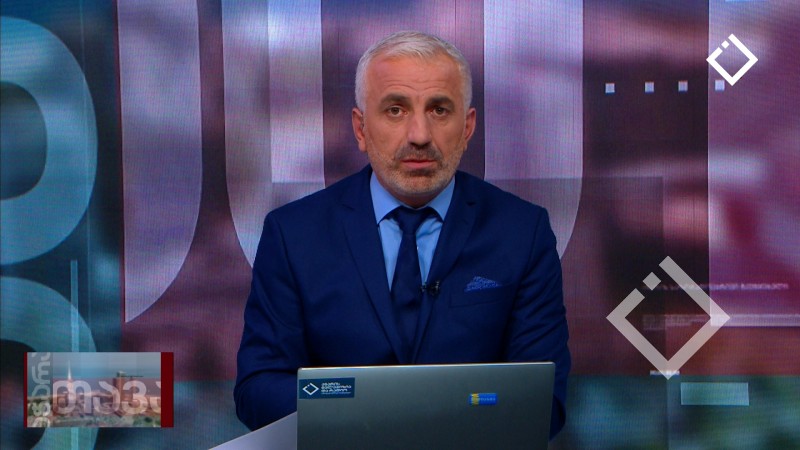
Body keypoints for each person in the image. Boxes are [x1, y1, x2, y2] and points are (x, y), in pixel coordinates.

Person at [234, 30, 570, 438]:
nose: (419, 135)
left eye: (439, 110)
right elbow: (258, 388)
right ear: (360, 128)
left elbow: (545, 402)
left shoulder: (522, 232)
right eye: (395, 110)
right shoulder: (293, 235)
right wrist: (368, 419)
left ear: (467, 127)